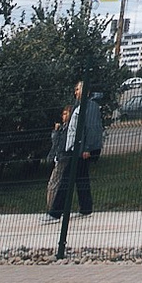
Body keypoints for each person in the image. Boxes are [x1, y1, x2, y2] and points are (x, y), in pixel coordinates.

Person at [48, 80, 104, 222]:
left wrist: (87, 148)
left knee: (66, 179)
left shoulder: (90, 106)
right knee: (81, 178)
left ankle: (55, 212)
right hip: (76, 148)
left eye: (78, 89)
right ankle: (86, 208)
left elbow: (92, 128)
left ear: (86, 91)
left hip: (80, 149)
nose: (76, 92)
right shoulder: (79, 106)